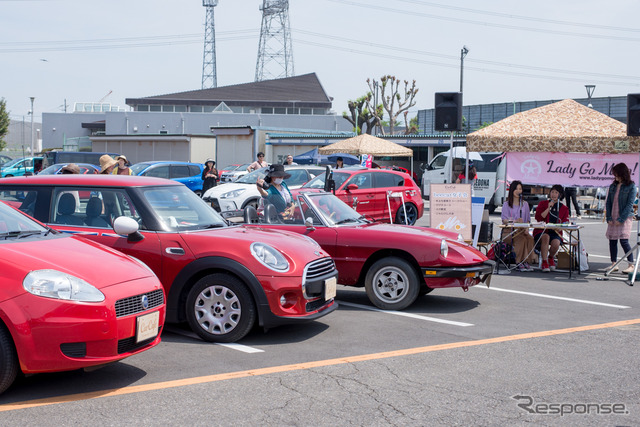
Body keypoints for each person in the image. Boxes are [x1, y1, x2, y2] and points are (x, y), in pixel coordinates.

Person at [605, 163, 637, 274]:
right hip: (613, 215)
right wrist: (608, 217)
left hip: (625, 216)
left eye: (617, 174)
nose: (615, 177)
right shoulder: (613, 186)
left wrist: (621, 219)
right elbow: (608, 202)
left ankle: (631, 264)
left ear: (623, 174)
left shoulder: (632, 186)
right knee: (612, 241)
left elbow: (629, 204)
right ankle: (614, 264)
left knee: (624, 240)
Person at [501, 180, 535, 272]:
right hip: (509, 232)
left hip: (522, 230)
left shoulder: (525, 204)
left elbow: (528, 219)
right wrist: (514, 221)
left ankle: (526, 261)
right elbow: (504, 220)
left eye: (520, 189)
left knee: (529, 238)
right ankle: (519, 261)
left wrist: (527, 228)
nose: (518, 191)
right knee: (521, 239)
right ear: (512, 190)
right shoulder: (506, 204)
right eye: (516, 189)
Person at [534, 184, 570, 272]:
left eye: (556, 192)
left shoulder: (564, 208)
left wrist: (560, 228)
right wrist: (548, 207)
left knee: (556, 243)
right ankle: (544, 261)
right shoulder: (543, 204)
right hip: (542, 231)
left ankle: (551, 257)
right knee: (546, 237)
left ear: (560, 195)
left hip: (555, 232)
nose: (553, 194)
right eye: (552, 192)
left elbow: (565, 221)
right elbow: (539, 217)